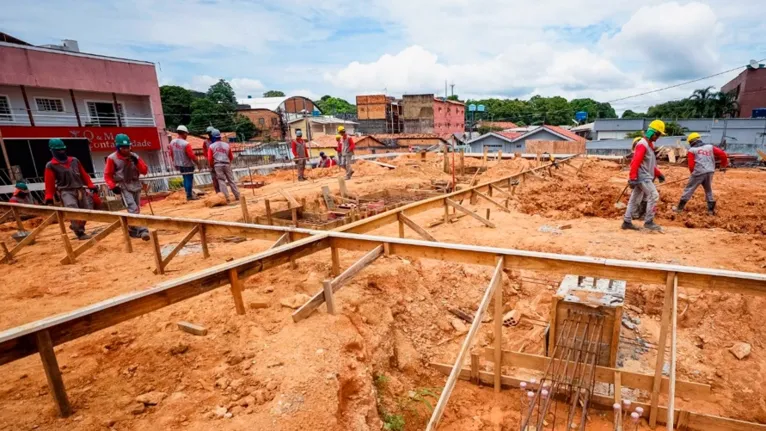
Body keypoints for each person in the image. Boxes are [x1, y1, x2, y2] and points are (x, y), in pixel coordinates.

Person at [44, 138, 97, 240]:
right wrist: (49, 196)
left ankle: (76, 226)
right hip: (66, 191)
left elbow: (84, 174)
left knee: (86, 211)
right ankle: (80, 233)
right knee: (73, 210)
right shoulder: (51, 165)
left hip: (79, 189)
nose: (61, 151)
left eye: (62, 149)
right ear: (53, 151)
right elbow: (49, 182)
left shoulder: (74, 160)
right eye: (58, 150)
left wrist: (91, 185)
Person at [622, 120, 666, 231]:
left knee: (634, 198)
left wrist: (658, 173)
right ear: (652, 132)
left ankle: (627, 222)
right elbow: (635, 162)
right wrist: (632, 178)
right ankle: (649, 222)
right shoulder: (642, 144)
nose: (658, 137)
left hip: (644, 175)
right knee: (654, 195)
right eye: (658, 134)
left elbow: (649, 164)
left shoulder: (649, 146)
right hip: (642, 177)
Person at [104, 134, 150, 241]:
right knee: (132, 207)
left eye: (127, 147)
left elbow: (144, 171)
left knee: (137, 207)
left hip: (135, 184)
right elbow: (107, 175)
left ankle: (132, 228)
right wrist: (112, 186)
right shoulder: (112, 158)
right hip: (123, 185)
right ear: (118, 148)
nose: (126, 150)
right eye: (123, 148)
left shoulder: (135, 156)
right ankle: (143, 230)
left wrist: (137, 162)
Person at [673, 132, 728, 215]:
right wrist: (723, 166)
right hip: (710, 172)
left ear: (692, 142)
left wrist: (693, 174)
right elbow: (723, 155)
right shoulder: (710, 147)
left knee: (689, 189)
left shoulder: (692, 150)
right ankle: (710, 211)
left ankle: (679, 209)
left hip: (698, 173)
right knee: (708, 190)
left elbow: (691, 166)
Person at [207, 129, 241, 203]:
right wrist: (228, 163)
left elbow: (210, 159)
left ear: (213, 137)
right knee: (231, 180)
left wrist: (212, 166)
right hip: (227, 164)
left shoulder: (211, 146)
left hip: (217, 165)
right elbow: (231, 157)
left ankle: (226, 198)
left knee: (221, 181)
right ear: (220, 136)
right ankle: (238, 196)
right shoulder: (226, 145)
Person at [169, 125, 199, 201]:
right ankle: (189, 195)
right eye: (186, 134)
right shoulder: (185, 143)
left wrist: (174, 162)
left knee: (185, 179)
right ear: (184, 133)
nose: (187, 135)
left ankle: (188, 193)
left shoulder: (172, 142)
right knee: (189, 179)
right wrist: (198, 163)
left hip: (179, 164)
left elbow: (171, 153)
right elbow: (191, 155)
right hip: (187, 164)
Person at [202, 126, 220, 193]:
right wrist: (208, 160)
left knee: (219, 177)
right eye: (209, 133)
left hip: (218, 161)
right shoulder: (206, 142)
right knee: (214, 177)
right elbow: (205, 152)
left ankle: (221, 190)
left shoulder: (217, 141)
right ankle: (217, 191)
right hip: (212, 161)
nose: (209, 134)